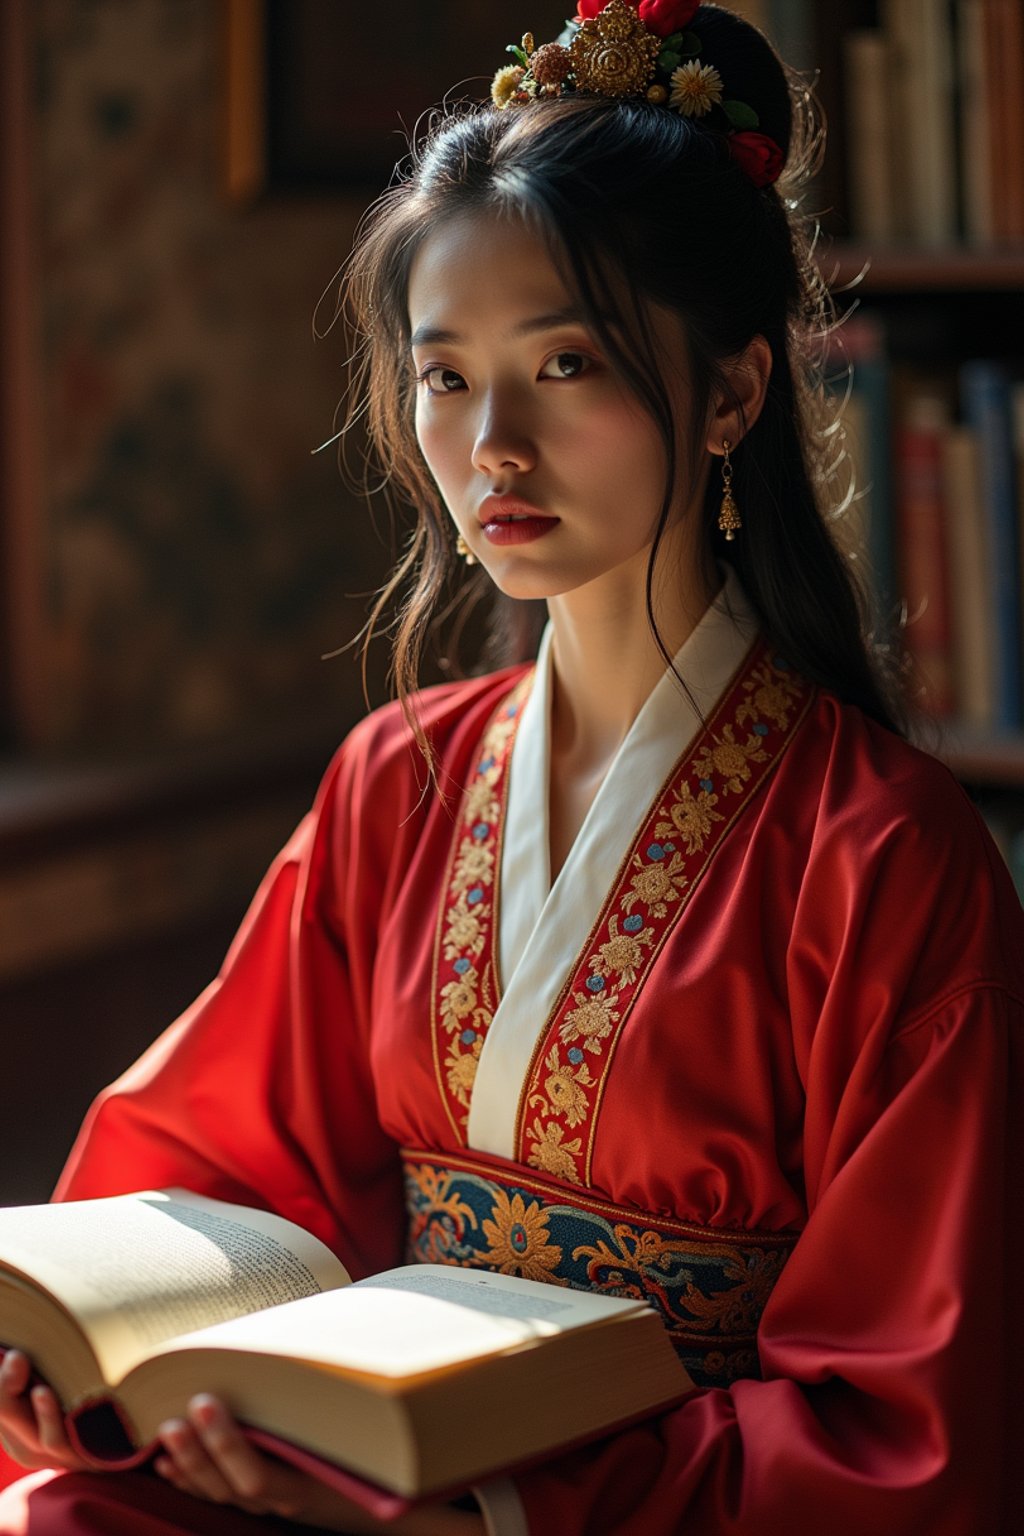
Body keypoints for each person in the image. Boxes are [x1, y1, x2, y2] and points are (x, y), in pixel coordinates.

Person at [1, 2, 1022, 1532]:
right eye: (447, 376)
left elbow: (904, 1419)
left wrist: (494, 1498)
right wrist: (104, 1355)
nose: (494, 448)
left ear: (735, 390)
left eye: (564, 365)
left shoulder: (880, 853)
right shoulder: (397, 778)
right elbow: (228, 1163)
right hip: (357, 1467)